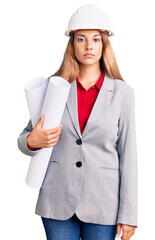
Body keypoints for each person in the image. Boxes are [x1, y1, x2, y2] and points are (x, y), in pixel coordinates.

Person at [17, 4, 138, 240]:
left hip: (103, 204)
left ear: (104, 44)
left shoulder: (123, 94)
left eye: (95, 39)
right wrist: (33, 141)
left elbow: (129, 156)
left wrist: (129, 214)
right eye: (81, 39)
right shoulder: (55, 87)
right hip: (56, 198)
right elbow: (24, 140)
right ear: (72, 44)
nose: (89, 46)